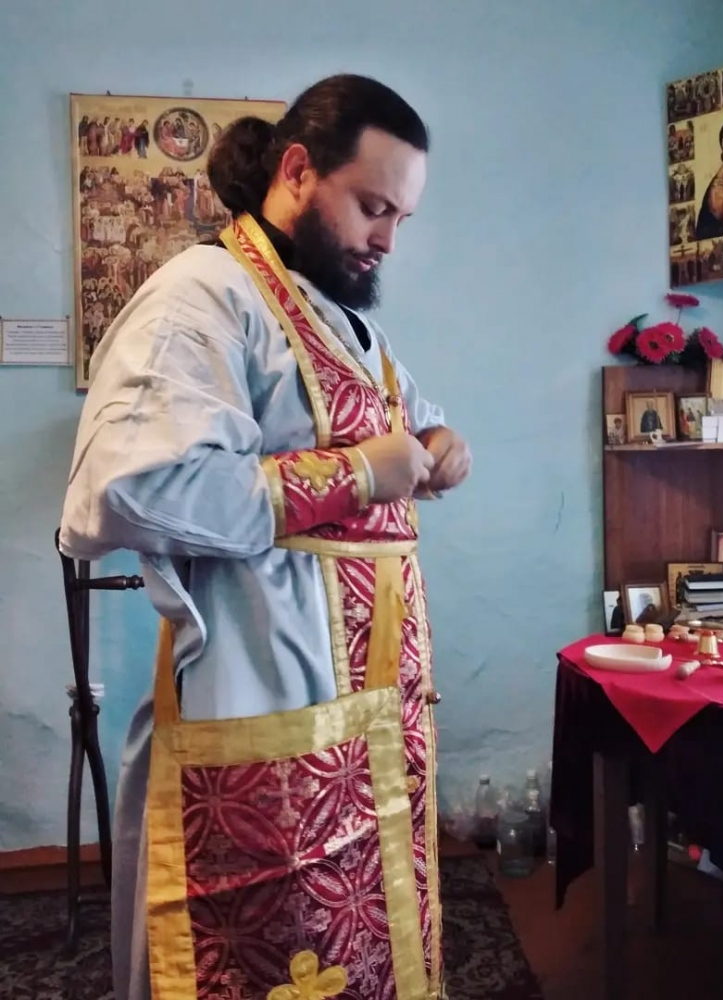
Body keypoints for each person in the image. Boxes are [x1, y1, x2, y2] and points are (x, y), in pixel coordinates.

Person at [58, 74, 471, 1000]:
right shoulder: (202, 294)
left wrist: (443, 441)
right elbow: (127, 490)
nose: (387, 240)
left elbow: (400, 418)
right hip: (269, 700)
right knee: (270, 955)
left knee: (368, 936)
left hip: (370, 719)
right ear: (296, 171)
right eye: (373, 208)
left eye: (401, 217)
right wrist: (355, 475)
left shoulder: (335, 311)